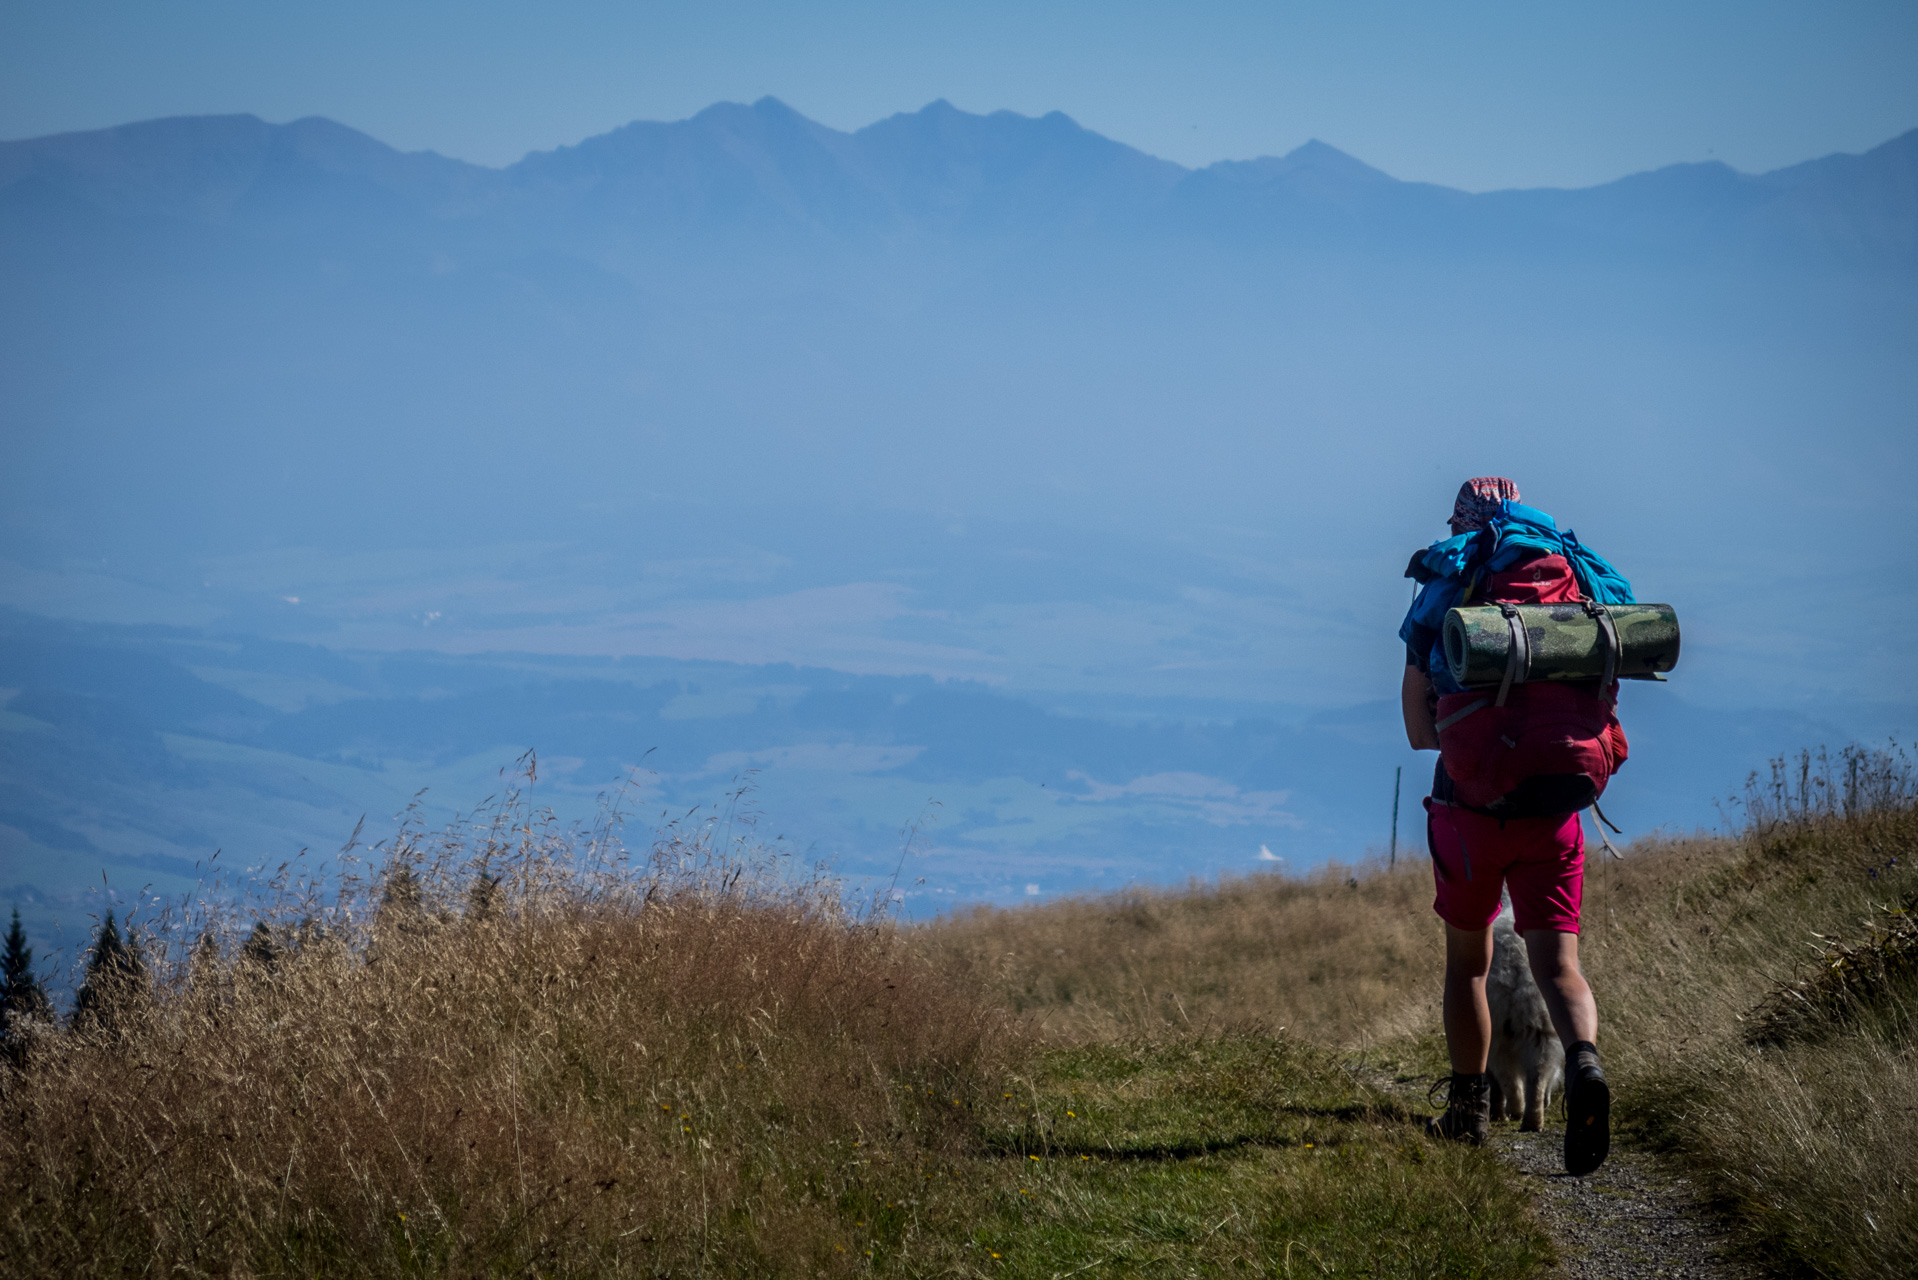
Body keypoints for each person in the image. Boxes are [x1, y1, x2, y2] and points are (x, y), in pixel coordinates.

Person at [1400, 477, 1612, 1176]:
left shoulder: (1451, 572)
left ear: (1463, 520)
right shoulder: (1571, 568)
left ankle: (1467, 1113)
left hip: (1469, 811)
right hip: (1556, 809)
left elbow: (1417, 727)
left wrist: (1471, 747)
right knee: (1559, 967)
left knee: (1469, 964)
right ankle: (1584, 1069)